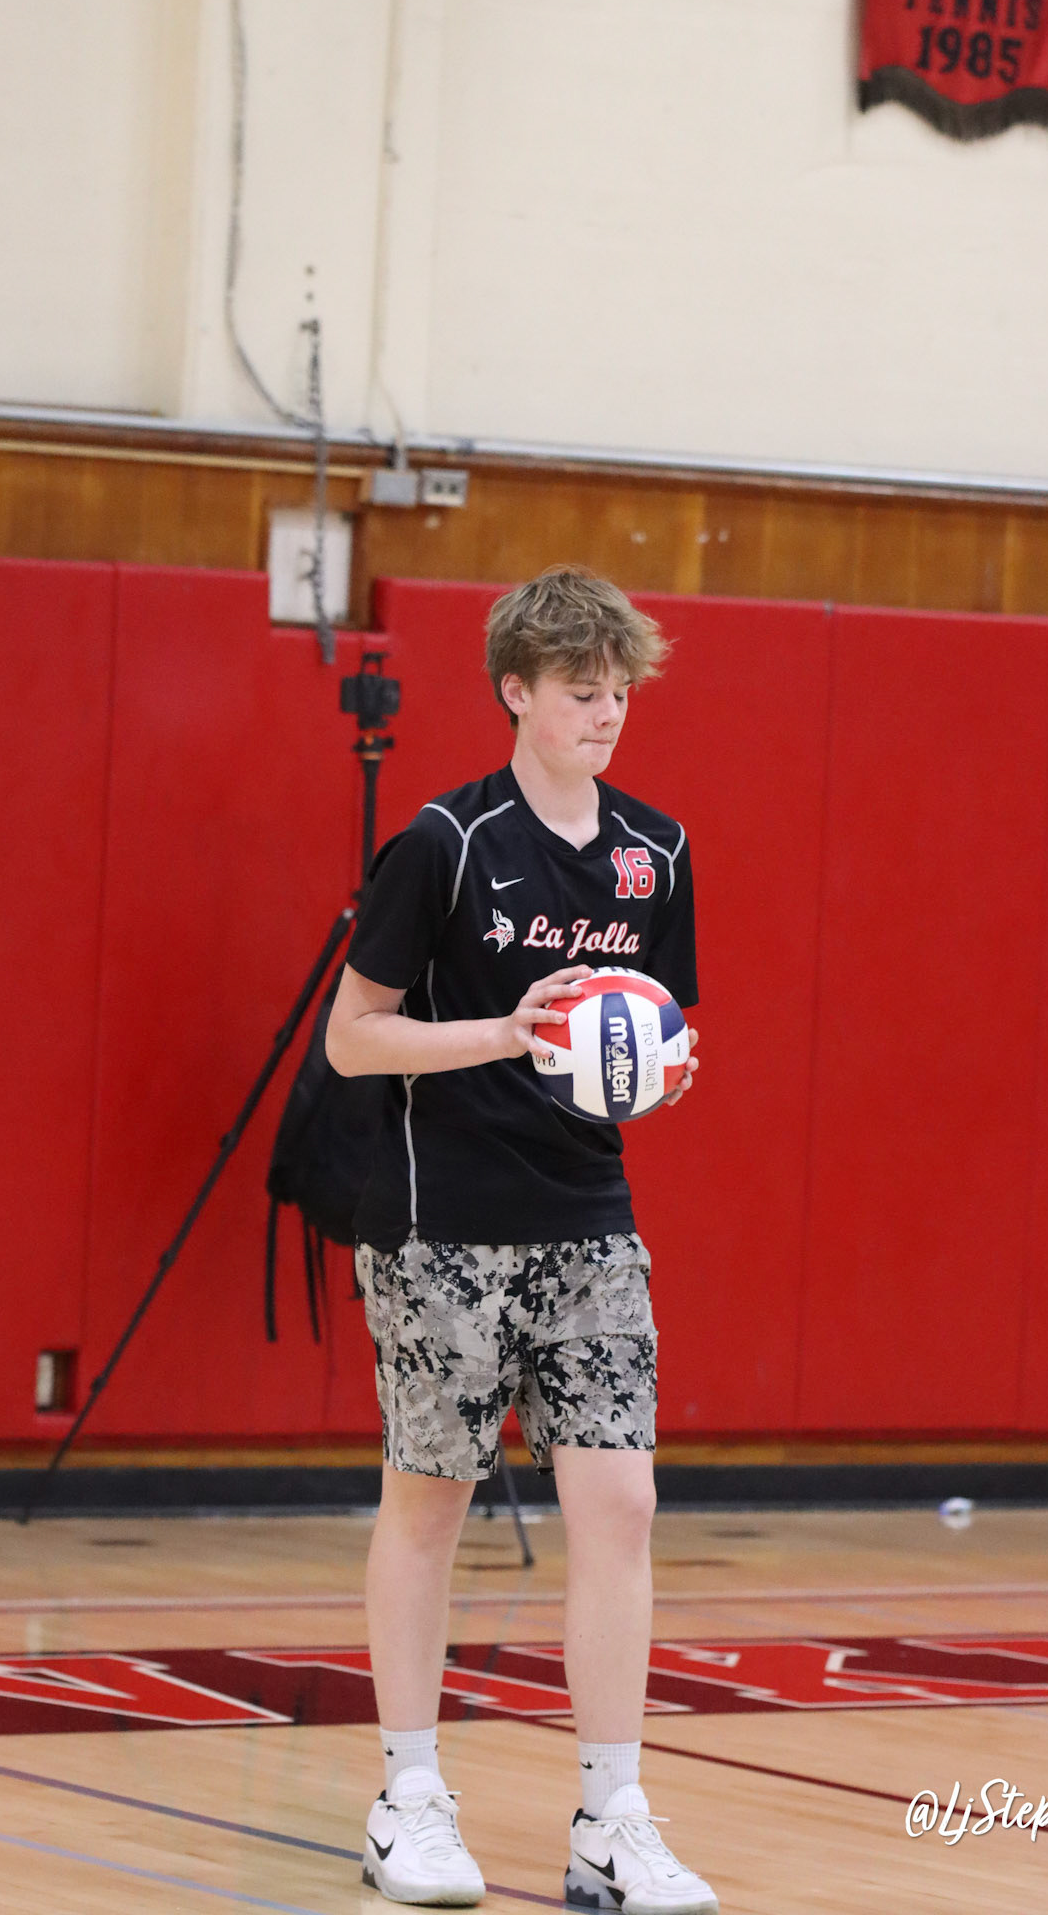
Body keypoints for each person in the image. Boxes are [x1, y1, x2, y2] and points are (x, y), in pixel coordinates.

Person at [326, 566, 713, 1912]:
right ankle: (408, 1800)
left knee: (621, 1504)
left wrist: (662, 1068)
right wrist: (505, 1031)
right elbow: (351, 1038)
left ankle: (613, 1818)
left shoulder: (656, 851)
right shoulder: (444, 841)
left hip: (586, 1219)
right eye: (580, 691)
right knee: (430, 1502)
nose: (606, 714)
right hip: (440, 1222)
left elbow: (658, 1029)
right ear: (516, 691)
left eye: (619, 692)